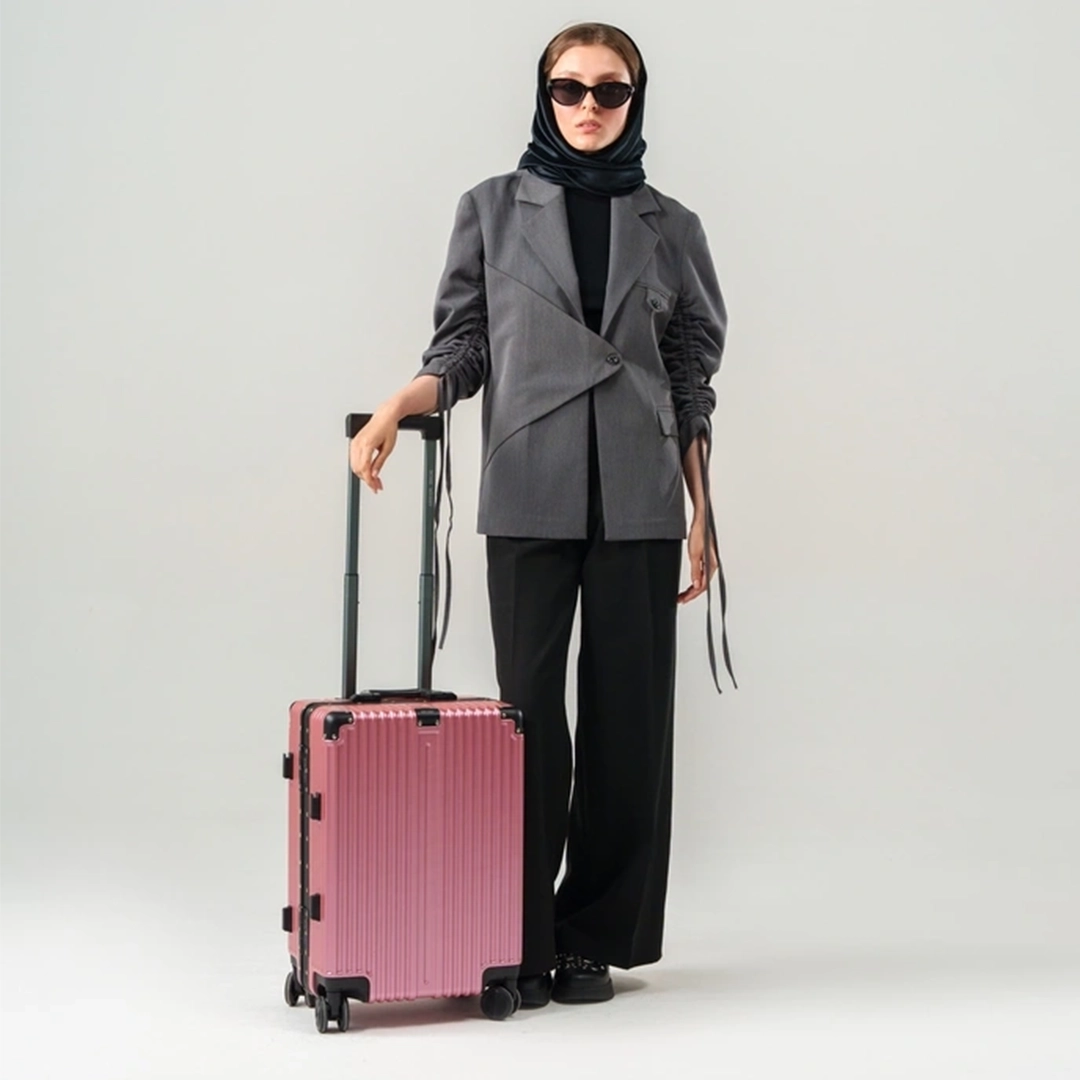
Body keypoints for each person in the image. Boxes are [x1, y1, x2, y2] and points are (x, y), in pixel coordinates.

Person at [349, 22, 735, 1009]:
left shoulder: (671, 225)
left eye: (610, 91)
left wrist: (702, 512)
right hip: (530, 484)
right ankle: (513, 931)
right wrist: (397, 406)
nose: (589, 108)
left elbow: (690, 372)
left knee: (628, 722)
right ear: (544, 94)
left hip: (642, 495)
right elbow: (464, 347)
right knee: (527, 719)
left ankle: (592, 937)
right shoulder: (491, 208)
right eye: (570, 89)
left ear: (636, 100)